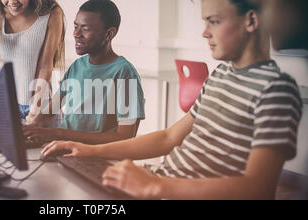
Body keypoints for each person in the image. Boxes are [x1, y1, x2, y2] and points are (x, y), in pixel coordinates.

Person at [41, 0, 303, 199]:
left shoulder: (276, 89)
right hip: (163, 184)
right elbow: (169, 138)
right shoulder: (222, 74)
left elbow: (259, 187)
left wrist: (155, 185)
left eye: (213, 21)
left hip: (167, 189)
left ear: (251, 21)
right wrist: (88, 150)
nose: (204, 33)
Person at [23, 0, 146, 145]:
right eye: (76, 26)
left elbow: (124, 138)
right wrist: (28, 129)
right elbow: (48, 113)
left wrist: (59, 134)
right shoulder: (77, 66)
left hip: (98, 159)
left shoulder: (124, 73)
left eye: (85, 28)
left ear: (109, 34)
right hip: (66, 150)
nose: (76, 34)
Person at [0, 0, 65, 122]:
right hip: (8, 105)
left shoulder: (52, 13)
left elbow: (45, 66)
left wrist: (34, 110)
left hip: (41, 105)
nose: (12, 2)